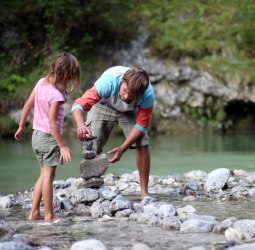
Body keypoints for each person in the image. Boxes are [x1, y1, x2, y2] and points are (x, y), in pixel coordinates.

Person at [14, 53, 81, 221]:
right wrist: (63, 145)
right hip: (49, 139)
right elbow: (52, 123)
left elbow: (28, 105)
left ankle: (34, 212)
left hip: (36, 136)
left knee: (43, 175)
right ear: (65, 75)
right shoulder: (56, 96)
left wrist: (22, 126)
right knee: (49, 177)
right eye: (71, 77)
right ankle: (49, 214)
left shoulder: (40, 83)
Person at [71, 66, 155, 199]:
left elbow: (141, 125)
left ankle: (144, 193)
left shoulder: (147, 94)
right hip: (103, 105)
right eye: (125, 91)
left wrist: (123, 148)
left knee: (143, 145)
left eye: (132, 96)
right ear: (122, 81)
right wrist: (80, 124)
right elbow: (78, 105)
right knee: (92, 147)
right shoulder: (108, 82)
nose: (126, 97)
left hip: (129, 111)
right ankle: (92, 188)